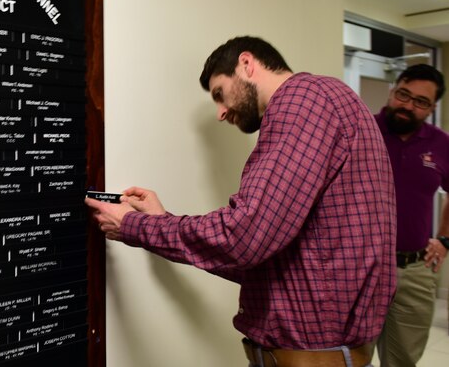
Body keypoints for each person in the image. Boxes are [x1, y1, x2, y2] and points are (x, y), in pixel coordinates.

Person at [85, 36, 396, 367]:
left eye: (219, 93)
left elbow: (244, 237)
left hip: (314, 357)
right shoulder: (326, 100)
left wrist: (134, 225)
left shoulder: (302, 101)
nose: (220, 112)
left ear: (247, 65)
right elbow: (266, 259)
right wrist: (160, 220)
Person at [373, 64, 449, 367]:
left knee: (402, 360)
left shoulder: (441, 143)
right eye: (404, 94)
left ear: (431, 108)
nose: (408, 105)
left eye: (420, 101)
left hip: (416, 269)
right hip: (361, 268)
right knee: (349, 356)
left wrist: (444, 239)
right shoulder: (363, 128)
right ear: (393, 91)